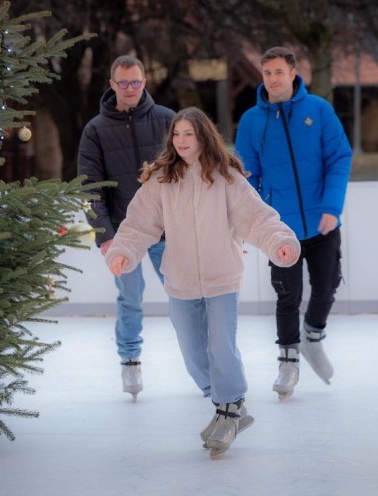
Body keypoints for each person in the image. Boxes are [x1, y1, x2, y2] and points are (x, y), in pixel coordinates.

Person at [106, 107, 300, 457]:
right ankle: (232, 405)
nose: (181, 141)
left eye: (188, 134)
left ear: (203, 137)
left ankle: (228, 409)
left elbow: (256, 219)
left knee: (221, 346)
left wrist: (280, 243)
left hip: (221, 277)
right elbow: (138, 224)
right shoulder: (161, 180)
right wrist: (123, 251)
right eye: (176, 135)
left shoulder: (226, 178)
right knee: (193, 353)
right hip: (180, 279)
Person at [234, 46, 352, 399]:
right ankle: (288, 362)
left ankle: (312, 337)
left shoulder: (318, 110)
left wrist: (332, 207)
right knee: (287, 297)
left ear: (293, 73)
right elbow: (245, 179)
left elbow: (339, 157)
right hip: (279, 229)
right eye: (266, 72)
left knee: (327, 285)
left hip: (322, 222)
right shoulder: (252, 121)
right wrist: (248, 224)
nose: (272, 79)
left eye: (278, 72)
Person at [78, 55, 174, 400]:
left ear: (145, 82)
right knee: (130, 297)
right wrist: (105, 235)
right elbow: (90, 186)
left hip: (167, 229)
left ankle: (206, 356)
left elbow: (189, 173)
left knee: (185, 293)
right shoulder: (96, 130)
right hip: (125, 233)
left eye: (136, 82)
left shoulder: (167, 121)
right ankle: (130, 359)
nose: (130, 88)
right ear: (112, 84)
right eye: (123, 83)